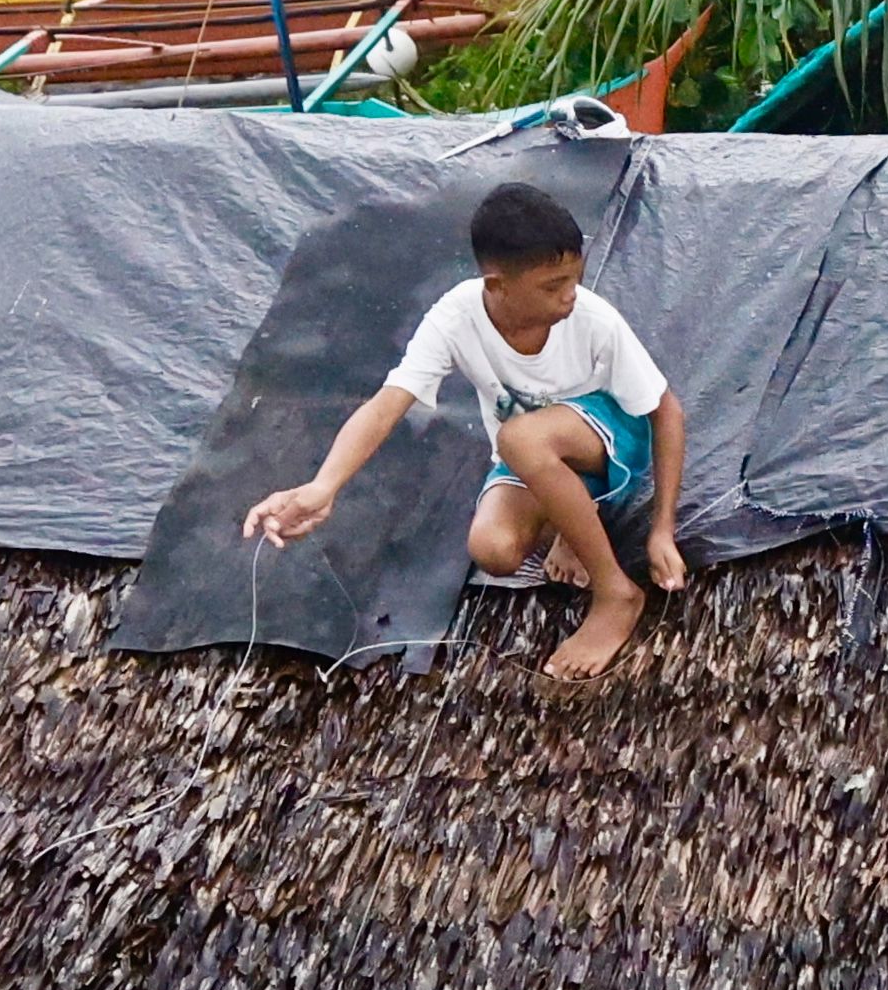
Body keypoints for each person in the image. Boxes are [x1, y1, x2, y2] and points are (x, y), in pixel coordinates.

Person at [242, 180, 688, 681]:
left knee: (518, 437)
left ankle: (615, 593)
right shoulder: (456, 317)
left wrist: (661, 530)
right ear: (496, 284)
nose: (568, 296)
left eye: (573, 279)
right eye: (551, 286)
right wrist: (324, 487)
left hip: (610, 443)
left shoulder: (591, 319)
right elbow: (388, 403)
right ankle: (572, 523)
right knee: (492, 551)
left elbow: (666, 410)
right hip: (533, 456)